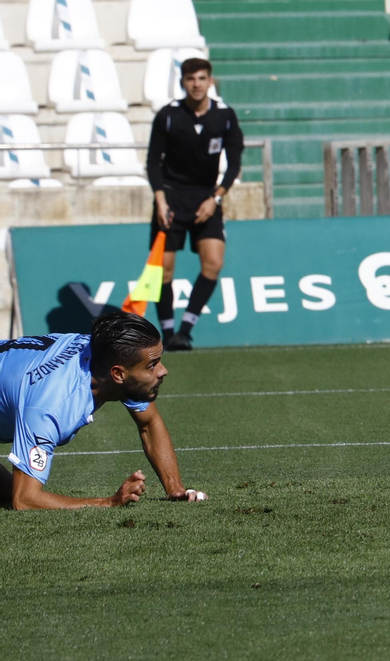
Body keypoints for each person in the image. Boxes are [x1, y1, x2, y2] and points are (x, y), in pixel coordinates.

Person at [2, 312, 206, 510]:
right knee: (12, 492)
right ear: (118, 374)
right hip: (41, 397)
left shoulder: (108, 353)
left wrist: (176, 490)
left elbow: (149, 423)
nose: (163, 371)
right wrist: (109, 502)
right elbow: (25, 500)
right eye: (152, 365)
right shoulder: (51, 406)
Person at [147, 58, 244, 351]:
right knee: (162, 271)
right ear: (182, 82)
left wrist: (216, 198)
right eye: (191, 79)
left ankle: (185, 329)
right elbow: (153, 161)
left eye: (202, 78)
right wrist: (160, 199)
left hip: (206, 198)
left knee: (213, 263)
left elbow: (235, 161)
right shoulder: (168, 115)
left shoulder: (224, 116)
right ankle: (165, 331)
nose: (197, 84)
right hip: (172, 198)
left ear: (210, 81)